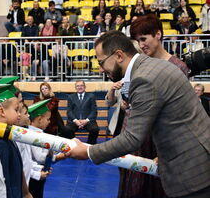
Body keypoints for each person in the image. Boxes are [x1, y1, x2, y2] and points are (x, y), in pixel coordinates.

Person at [67, 30, 210, 198]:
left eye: (102, 62)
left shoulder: (144, 79)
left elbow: (132, 139)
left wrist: (89, 151)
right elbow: (174, 120)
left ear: (119, 56)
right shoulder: (155, 65)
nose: (100, 69)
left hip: (192, 172)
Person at [63, 80, 100, 145]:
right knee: (66, 129)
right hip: (74, 121)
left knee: (95, 129)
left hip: (88, 121)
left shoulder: (91, 96)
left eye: (81, 85)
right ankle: (74, 145)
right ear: (75, 87)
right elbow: (69, 111)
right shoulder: (71, 97)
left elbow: (94, 111)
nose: (79, 87)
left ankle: (89, 146)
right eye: (77, 86)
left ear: (85, 87)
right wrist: (76, 120)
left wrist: (86, 120)